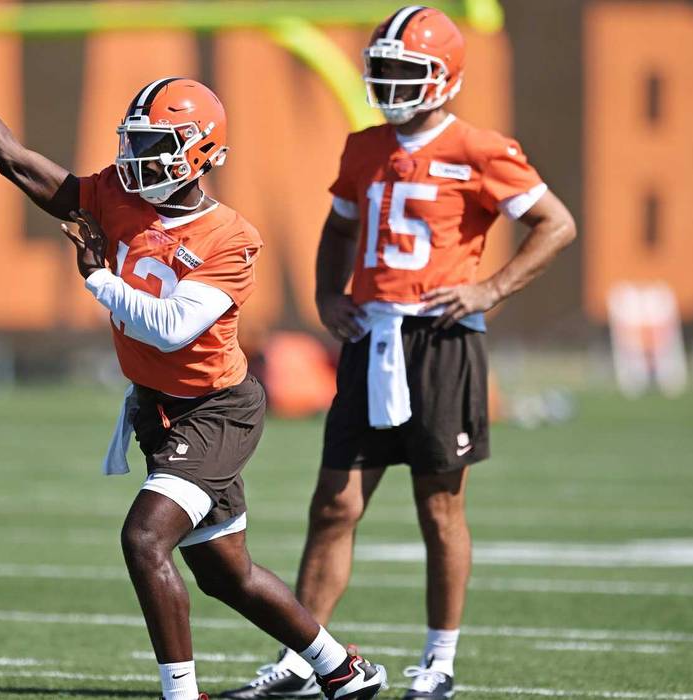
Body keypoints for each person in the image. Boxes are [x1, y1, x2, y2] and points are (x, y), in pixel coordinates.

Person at [0, 5, 387, 699]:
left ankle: (180, 695)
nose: (138, 160)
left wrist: (96, 276)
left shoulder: (230, 238)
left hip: (216, 411)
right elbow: (14, 160)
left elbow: (167, 329)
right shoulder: (114, 194)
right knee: (224, 572)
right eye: (136, 142)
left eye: (158, 146)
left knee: (143, 539)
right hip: (159, 409)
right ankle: (341, 667)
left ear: (203, 153)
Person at [223, 5, 577, 700]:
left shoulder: (480, 148)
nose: (387, 82)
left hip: (440, 340)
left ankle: (438, 661)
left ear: (444, 79)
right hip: (370, 337)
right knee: (333, 503)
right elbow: (337, 228)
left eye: (402, 71)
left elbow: (553, 223)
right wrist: (329, 295)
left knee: (438, 506)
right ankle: (305, 657)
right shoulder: (363, 146)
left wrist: (492, 287)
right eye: (379, 69)